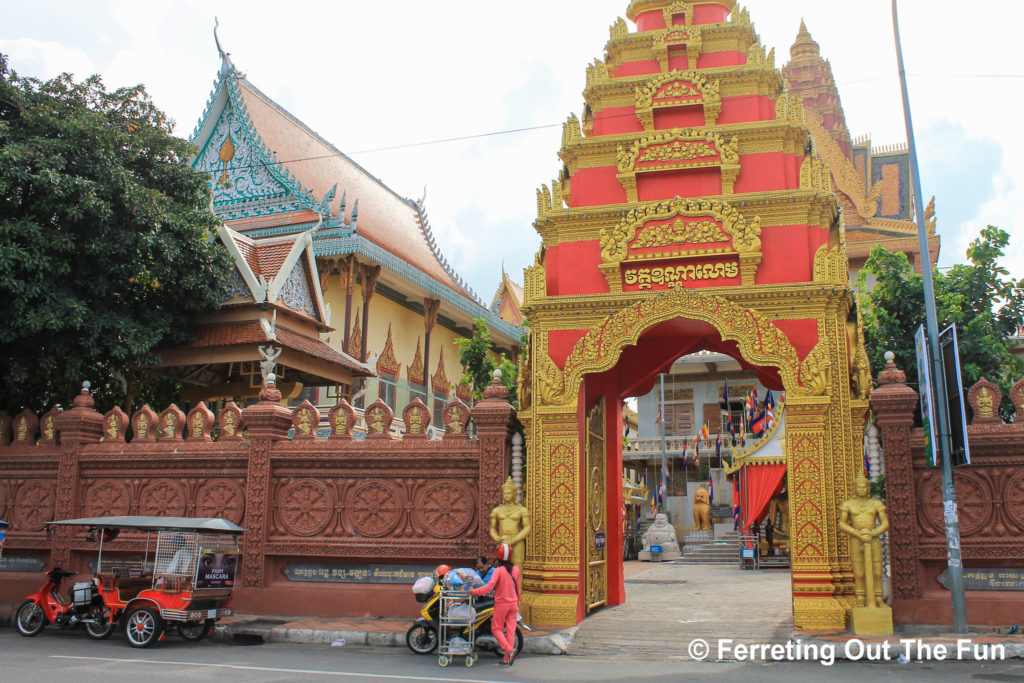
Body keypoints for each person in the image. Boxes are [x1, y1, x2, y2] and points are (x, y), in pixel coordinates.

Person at [471, 543, 521, 666]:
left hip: (501, 604)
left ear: (498, 557)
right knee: (510, 630)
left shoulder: (498, 571)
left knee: (496, 628)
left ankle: (510, 650)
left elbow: (488, 587)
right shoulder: (516, 569)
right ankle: (506, 658)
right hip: (514, 604)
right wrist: (518, 601)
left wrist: (474, 592)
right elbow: (518, 588)